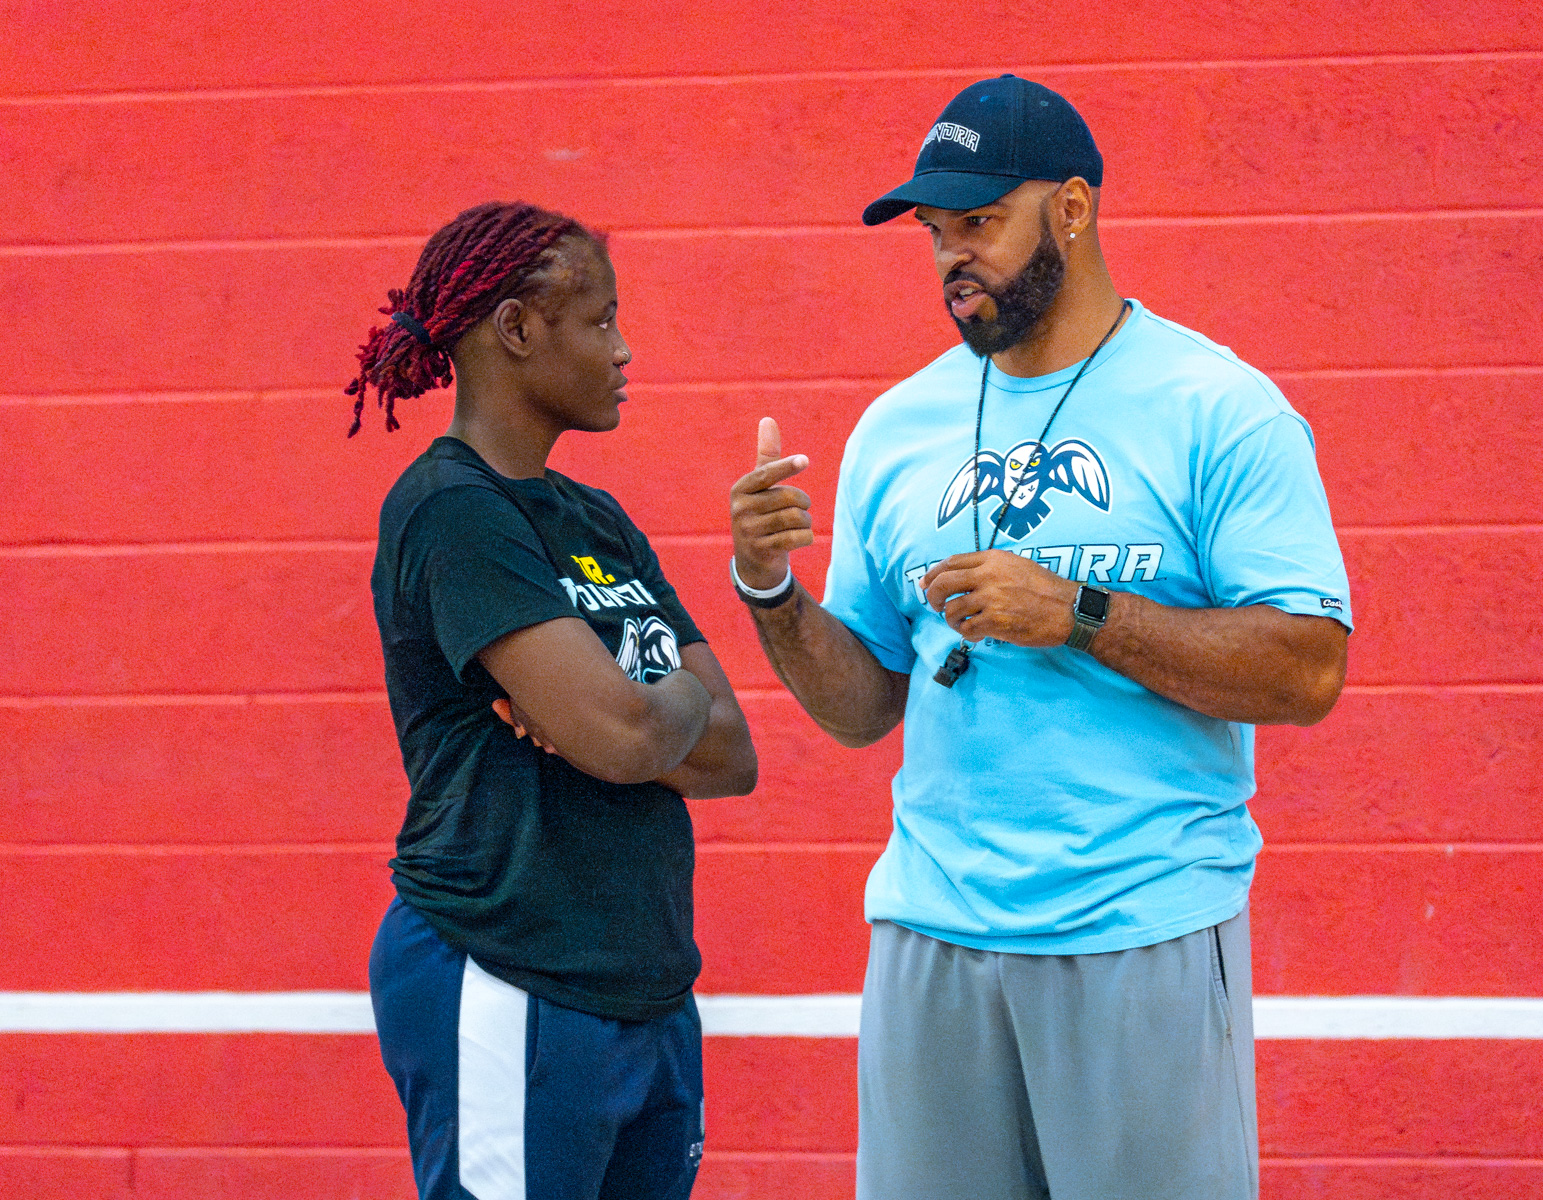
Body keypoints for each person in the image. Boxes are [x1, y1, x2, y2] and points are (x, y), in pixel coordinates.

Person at [728, 77, 1352, 1199]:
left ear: (1072, 208)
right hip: (931, 932)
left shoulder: (1219, 407)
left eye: (980, 222)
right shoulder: (894, 429)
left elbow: (1308, 669)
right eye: (935, 232)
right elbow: (864, 709)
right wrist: (770, 590)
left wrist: (1079, 614)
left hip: (1139, 931)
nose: (951, 257)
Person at [350, 201, 756, 1200]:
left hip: (646, 986)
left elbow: (732, 754)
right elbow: (624, 738)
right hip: (508, 970)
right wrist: (649, 708)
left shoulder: (594, 519)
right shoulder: (453, 510)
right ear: (518, 330)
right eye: (601, 319)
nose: (624, 348)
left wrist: (630, 710)